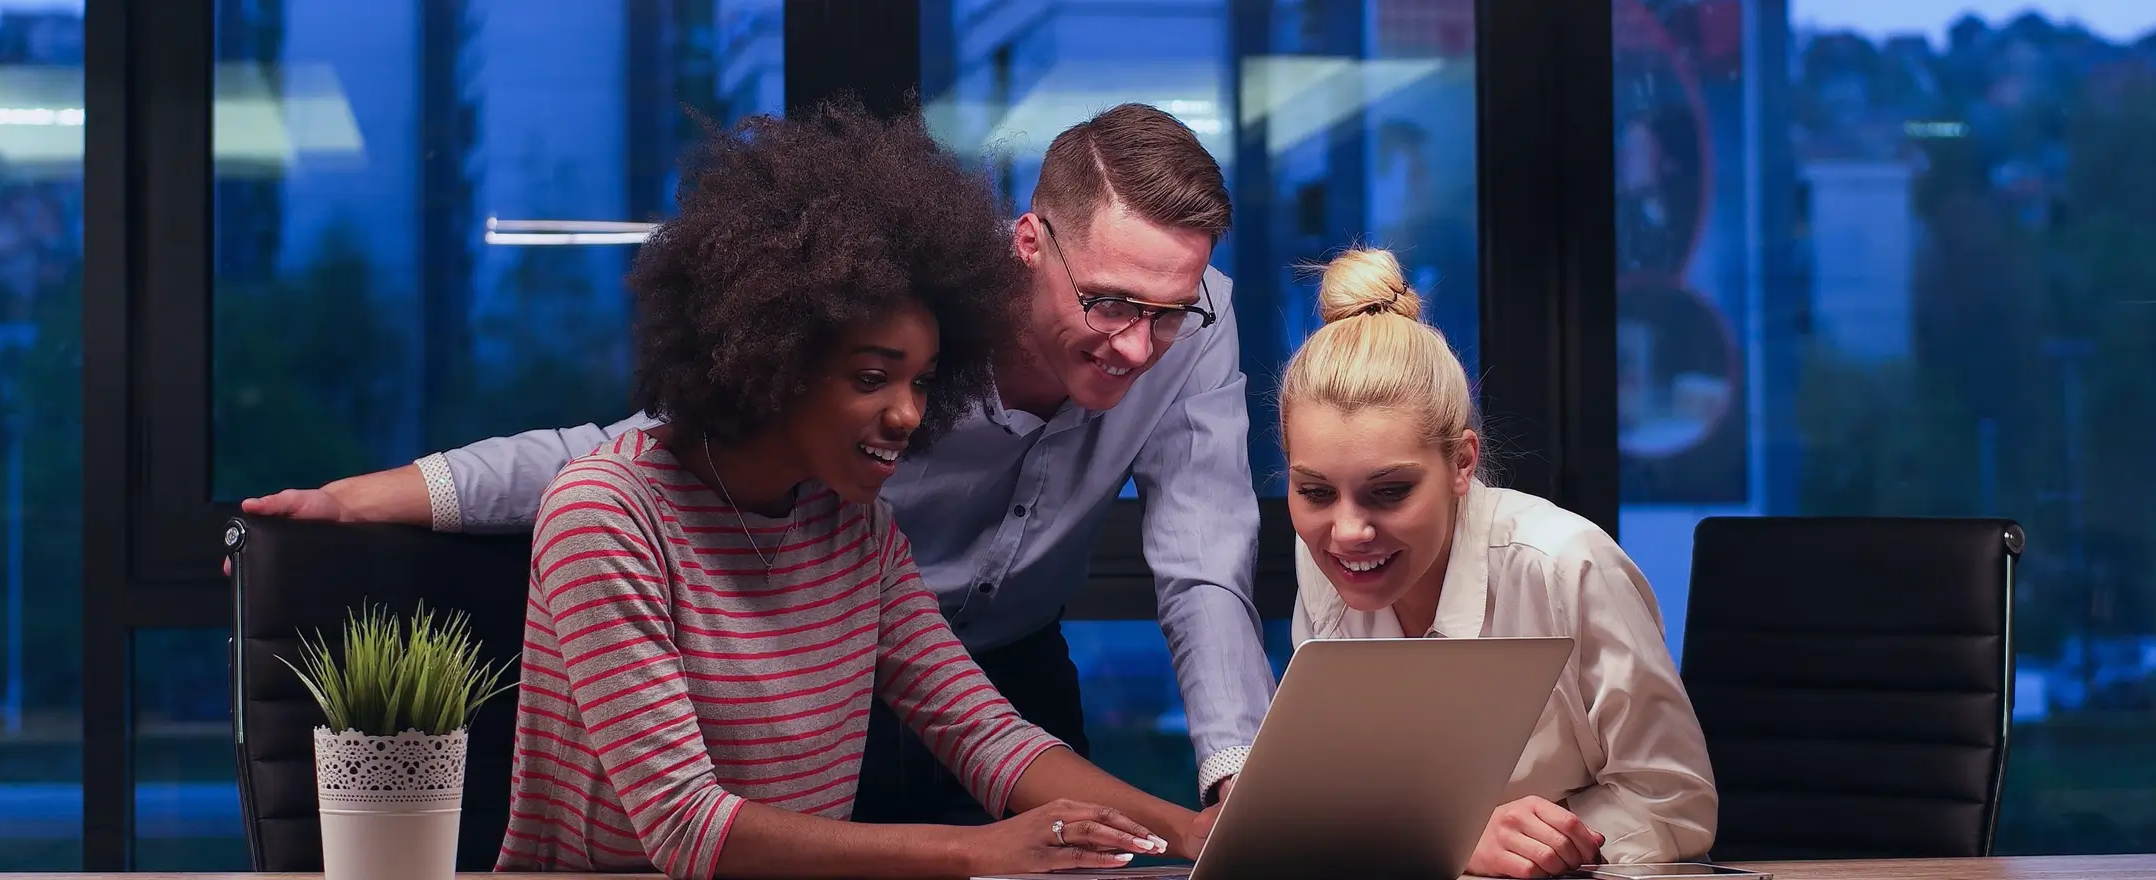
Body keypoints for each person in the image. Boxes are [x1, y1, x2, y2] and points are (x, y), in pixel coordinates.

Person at [244, 103, 1274, 818]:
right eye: (1110, 304)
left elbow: (1202, 558)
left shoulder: (1193, 319)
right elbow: (624, 452)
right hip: (823, 677)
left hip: (997, 674)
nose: (1139, 346)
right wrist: (367, 496)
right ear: (1027, 244)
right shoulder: (910, 320)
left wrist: (1231, 795)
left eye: (1169, 313)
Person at [497, 100, 1207, 879]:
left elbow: (985, 734)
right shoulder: (606, 515)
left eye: (924, 380)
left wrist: (1183, 831)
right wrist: (977, 850)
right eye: (872, 378)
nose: (908, 413)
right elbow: (685, 826)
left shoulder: (853, 530)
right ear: (775, 357)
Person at [1267, 247, 1718, 878]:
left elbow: (1676, 803)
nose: (1347, 532)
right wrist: (1446, 840)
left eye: (1389, 491)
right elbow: (1338, 794)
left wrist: (1513, 845)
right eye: (1315, 492)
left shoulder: (1564, 564)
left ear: (1462, 463)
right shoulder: (1320, 559)